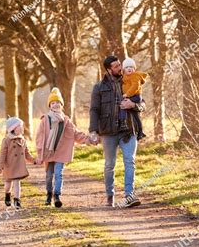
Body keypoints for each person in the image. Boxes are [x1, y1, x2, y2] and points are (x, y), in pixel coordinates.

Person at [89, 55, 146, 207]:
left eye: (120, 64)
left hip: (129, 129)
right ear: (109, 69)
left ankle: (129, 196)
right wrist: (93, 131)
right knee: (109, 165)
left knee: (130, 162)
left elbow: (142, 103)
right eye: (116, 66)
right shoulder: (99, 87)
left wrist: (133, 106)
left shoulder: (130, 79)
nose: (120, 68)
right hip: (108, 132)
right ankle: (110, 196)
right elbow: (94, 110)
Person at [35, 87, 94, 208]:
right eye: (53, 103)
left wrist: (88, 139)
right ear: (49, 105)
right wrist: (40, 152)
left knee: (58, 173)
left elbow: (75, 133)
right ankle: (48, 194)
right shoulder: (45, 120)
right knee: (49, 175)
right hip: (48, 152)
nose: (55, 105)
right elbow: (39, 137)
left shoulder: (66, 121)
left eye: (58, 103)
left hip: (61, 152)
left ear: (61, 105)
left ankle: (57, 196)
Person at [0, 117, 36, 209]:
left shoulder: (22, 140)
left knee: (17, 182)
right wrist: (0, 166)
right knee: (8, 185)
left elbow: (27, 153)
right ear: (14, 128)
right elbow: (2, 154)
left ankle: (17, 200)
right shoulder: (6, 140)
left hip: (18, 166)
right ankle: (7, 194)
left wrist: (34, 160)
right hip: (9, 166)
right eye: (20, 126)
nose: (22, 128)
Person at [120, 57, 148, 140]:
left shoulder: (135, 76)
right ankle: (140, 132)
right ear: (123, 70)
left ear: (134, 69)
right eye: (127, 67)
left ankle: (124, 124)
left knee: (123, 106)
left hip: (135, 97)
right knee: (136, 116)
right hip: (130, 96)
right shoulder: (124, 77)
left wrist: (127, 95)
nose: (129, 69)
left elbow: (135, 87)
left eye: (131, 67)